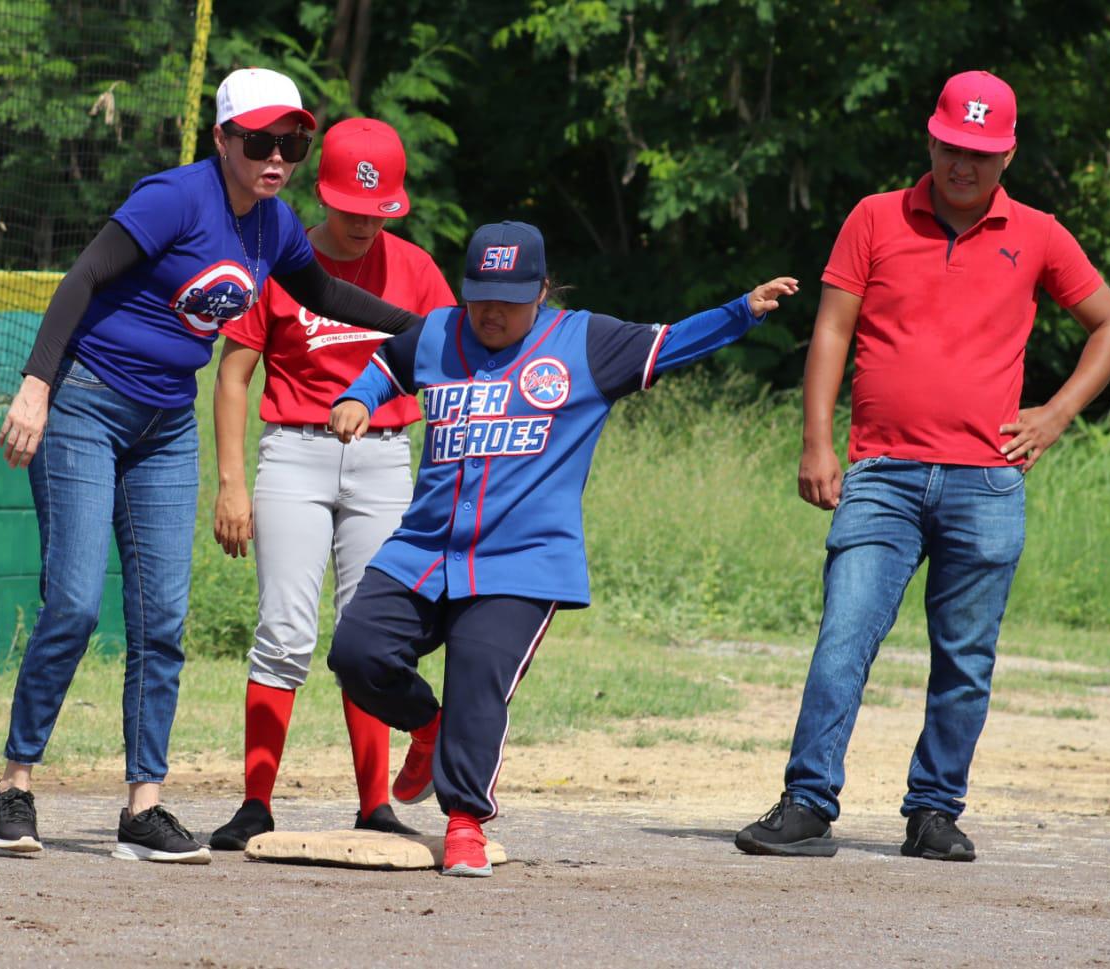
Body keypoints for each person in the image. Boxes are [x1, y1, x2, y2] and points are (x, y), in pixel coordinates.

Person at [0, 68, 420, 863]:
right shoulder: (174, 198)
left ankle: (142, 806)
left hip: (165, 426)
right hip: (85, 404)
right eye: (259, 141)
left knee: (162, 620)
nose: (277, 157)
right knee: (77, 604)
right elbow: (81, 278)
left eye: (292, 142)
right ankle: (14, 786)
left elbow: (323, 291)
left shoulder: (274, 226)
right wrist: (36, 386)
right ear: (222, 139)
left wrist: (431, 326)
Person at [735, 70, 1110, 862]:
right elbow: (831, 333)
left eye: (981, 153)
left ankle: (934, 811)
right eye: (954, 147)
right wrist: (818, 441)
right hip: (881, 472)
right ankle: (808, 801)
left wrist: (1054, 416)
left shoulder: (1040, 233)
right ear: (932, 139)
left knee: (965, 657)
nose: (964, 165)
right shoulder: (876, 218)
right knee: (843, 635)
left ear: (1007, 154)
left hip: (986, 482)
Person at [325, 220, 798, 876]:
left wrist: (740, 312)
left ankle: (465, 820)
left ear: (542, 289)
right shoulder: (437, 332)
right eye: (480, 295)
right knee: (357, 651)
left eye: (510, 297)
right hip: (425, 548)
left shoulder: (584, 342)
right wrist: (358, 396)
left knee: (478, 676)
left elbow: (670, 342)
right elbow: (387, 364)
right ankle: (425, 728)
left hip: (522, 559)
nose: (491, 311)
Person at [206, 118, 455, 850]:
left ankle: (375, 805)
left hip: (384, 459)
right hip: (294, 453)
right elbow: (233, 375)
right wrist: (230, 483)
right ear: (323, 193)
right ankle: (256, 803)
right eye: (350, 210)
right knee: (283, 631)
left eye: (378, 214)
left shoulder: (415, 270)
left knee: (366, 634)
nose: (362, 226)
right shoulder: (279, 260)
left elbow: (458, 368)